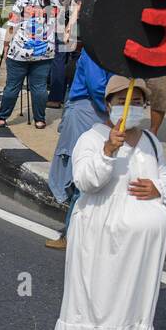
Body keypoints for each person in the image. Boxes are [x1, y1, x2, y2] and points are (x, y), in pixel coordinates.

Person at [53, 77, 166, 330]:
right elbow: (85, 181)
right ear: (108, 105)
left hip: (138, 248)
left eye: (136, 102)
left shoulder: (150, 140)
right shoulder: (92, 138)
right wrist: (107, 151)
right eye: (121, 101)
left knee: (127, 294)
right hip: (99, 234)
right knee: (93, 290)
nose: (129, 107)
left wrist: (157, 188)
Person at [45, 49, 110, 250]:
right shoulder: (96, 52)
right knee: (79, 178)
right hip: (89, 113)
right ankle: (71, 233)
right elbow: (98, 87)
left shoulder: (118, 53)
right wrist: (114, 110)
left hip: (105, 113)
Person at [0, 0, 61, 129]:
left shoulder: (21, 2)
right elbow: (58, 26)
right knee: (40, 87)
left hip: (19, 52)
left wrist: (6, 45)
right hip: (45, 52)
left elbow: (12, 27)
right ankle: (40, 120)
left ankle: (2, 118)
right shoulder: (54, 2)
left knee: (12, 86)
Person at [47, 0, 89, 107]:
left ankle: (56, 98)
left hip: (64, 22)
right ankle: (75, 96)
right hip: (82, 22)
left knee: (59, 59)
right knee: (78, 60)